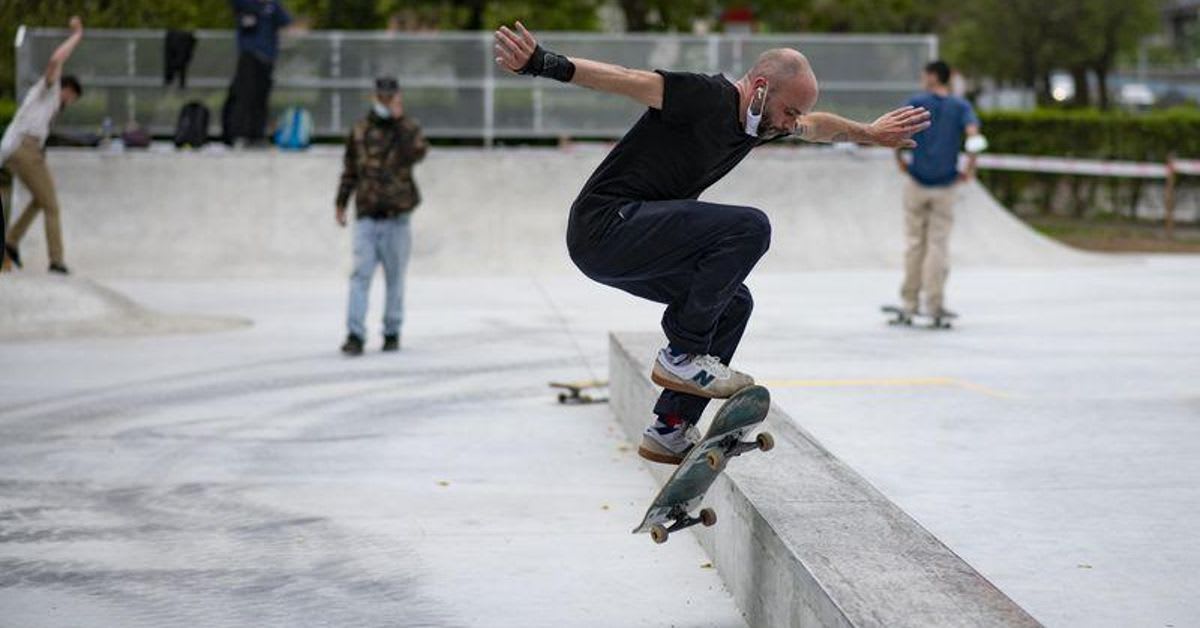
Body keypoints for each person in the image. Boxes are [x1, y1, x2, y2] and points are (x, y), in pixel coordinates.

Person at [494, 22, 930, 464]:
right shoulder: (705, 96)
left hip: (629, 246)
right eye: (790, 110)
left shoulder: (762, 124)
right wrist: (540, 63)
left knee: (734, 303)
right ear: (760, 88)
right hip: (607, 224)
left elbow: (818, 127)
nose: (791, 123)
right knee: (750, 227)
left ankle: (670, 428)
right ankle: (682, 354)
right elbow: (625, 79)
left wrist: (871, 133)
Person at [336, 77, 428, 356]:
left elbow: (418, 153)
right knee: (360, 275)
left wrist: (398, 123)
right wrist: (341, 203)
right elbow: (350, 170)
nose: (387, 103)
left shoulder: (409, 128)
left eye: (392, 98)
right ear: (375, 97)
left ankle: (391, 331)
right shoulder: (360, 130)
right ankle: (355, 333)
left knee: (395, 277)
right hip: (366, 214)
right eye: (383, 98)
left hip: (397, 216)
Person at [893, 60, 984, 319]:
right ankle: (934, 305)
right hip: (946, 184)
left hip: (917, 180)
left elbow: (898, 131)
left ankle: (909, 304)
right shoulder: (961, 106)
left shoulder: (916, 102)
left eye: (924, 75)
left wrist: (899, 158)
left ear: (933, 76)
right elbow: (974, 135)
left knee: (914, 243)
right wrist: (971, 165)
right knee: (938, 245)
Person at [2, 16, 85, 274]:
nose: (69, 103)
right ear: (68, 90)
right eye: (72, 98)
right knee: (52, 206)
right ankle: (56, 261)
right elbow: (55, 60)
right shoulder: (49, 89)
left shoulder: (47, 106)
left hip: (16, 150)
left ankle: (12, 241)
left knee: (41, 200)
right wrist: (77, 36)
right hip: (23, 148)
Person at [223, 0, 292, 145]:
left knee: (261, 97)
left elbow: (285, 21)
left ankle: (257, 134)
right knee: (246, 95)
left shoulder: (273, 6)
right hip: (250, 55)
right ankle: (241, 133)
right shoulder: (246, 3)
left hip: (267, 57)